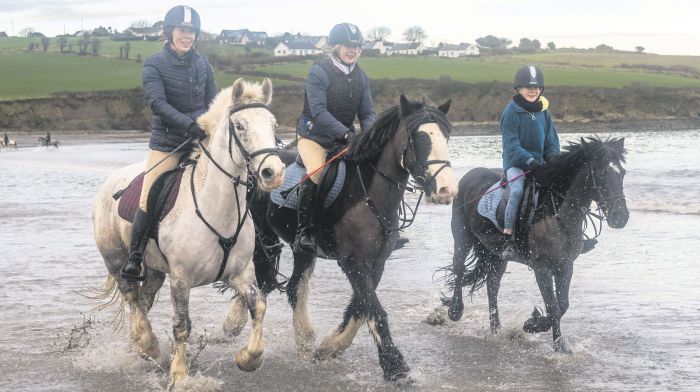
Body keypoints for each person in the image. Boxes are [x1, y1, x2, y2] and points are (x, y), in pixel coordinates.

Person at [121, 4, 217, 281]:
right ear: (169, 32)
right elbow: (157, 103)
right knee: (149, 194)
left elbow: (213, 100)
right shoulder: (154, 63)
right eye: (182, 30)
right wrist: (189, 124)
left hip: (200, 140)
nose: (187, 36)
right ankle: (136, 256)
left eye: (191, 32)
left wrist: (210, 125)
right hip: (168, 142)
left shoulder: (202, 63)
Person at [293, 22, 375, 255]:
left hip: (343, 139)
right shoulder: (319, 71)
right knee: (318, 172)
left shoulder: (361, 76)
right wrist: (347, 134)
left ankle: (381, 227)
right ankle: (305, 232)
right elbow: (319, 113)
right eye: (348, 46)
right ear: (336, 47)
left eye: (357, 46)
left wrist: (367, 136)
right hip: (313, 136)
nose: (353, 51)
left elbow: (367, 113)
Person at [500, 65, 560, 261]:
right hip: (517, 164)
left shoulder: (544, 111)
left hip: (540, 164)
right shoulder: (511, 112)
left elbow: (551, 141)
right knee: (517, 191)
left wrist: (553, 158)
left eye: (536, 87)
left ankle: (569, 235)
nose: (532, 90)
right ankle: (509, 239)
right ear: (518, 89)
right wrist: (529, 160)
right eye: (528, 87)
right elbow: (511, 146)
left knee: (561, 188)